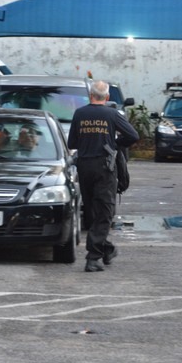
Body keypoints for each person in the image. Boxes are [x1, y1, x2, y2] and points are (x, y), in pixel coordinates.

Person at [68, 80, 139, 272]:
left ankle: (106, 249)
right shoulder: (112, 114)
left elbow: (72, 141)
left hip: (84, 167)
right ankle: (93, 257)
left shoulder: (80, 113)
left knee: (92, 211)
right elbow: (133, 136)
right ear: (107, 97)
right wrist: (114, 143)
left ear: (90, 95)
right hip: (104, 167)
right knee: (105, 212)